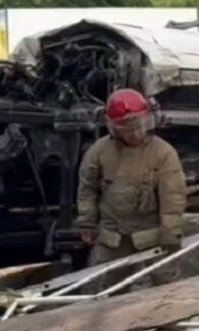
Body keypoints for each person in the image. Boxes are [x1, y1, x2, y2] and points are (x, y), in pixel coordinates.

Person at [76, 88, 187, 269]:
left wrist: (171, 232)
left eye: (139, 127)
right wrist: (87, 222)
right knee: (104, 281)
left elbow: (173, 197)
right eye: (127, 130)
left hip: (151, 234)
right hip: (112, 236)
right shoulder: (99, 151)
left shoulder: (163, 153)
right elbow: (88, 188)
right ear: (114, 128)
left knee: (167, 280)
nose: (135, 134)